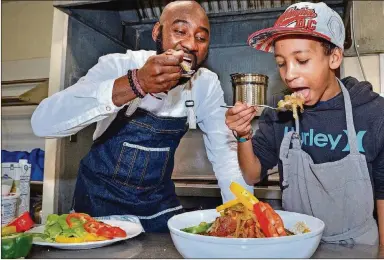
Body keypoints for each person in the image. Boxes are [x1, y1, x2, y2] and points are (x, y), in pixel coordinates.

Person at [31, 0, 253, 232]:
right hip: (98, 212)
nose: (190, 44)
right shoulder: (117, 65)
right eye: (179, 31)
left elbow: (226, 159)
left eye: (201, 37)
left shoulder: (204, 84)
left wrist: (244, 218)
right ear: (158, 32)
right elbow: (43, 122)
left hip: (158, 212)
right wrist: (135, 83)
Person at [225, 2, 384, 245]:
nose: (289, 74)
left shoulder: (374, 112)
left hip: (359, 247)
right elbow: (252, 174)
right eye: (281, 63)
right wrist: (243, 134)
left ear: (334, 57)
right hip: (297, 243)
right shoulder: (280, 111)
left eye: (301, 60)